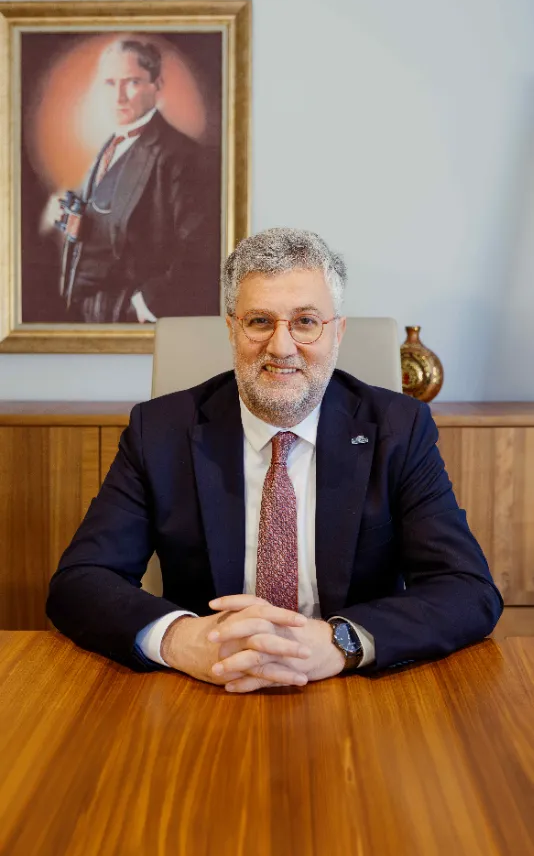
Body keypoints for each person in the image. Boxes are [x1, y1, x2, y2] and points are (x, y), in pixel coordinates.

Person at [47, 228, 502, 693]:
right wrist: (182, 639)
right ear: (231, 329)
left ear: (338, 332)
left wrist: (340, 642)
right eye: (260, 321)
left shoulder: (398, 429)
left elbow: (468, 589)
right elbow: (81, 581)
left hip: (356, 689)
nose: (281, 347)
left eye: (305, 321)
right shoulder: (160, 432)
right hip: (207, 685)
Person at [55, 37, 217, 323]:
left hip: (131, 318)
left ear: (156, 85)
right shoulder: (110, 144)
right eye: (110, 83)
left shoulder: (182, 155)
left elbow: (201, 248)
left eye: (132, 82)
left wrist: (145, 304)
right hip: (84, 312)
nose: (119, 97)